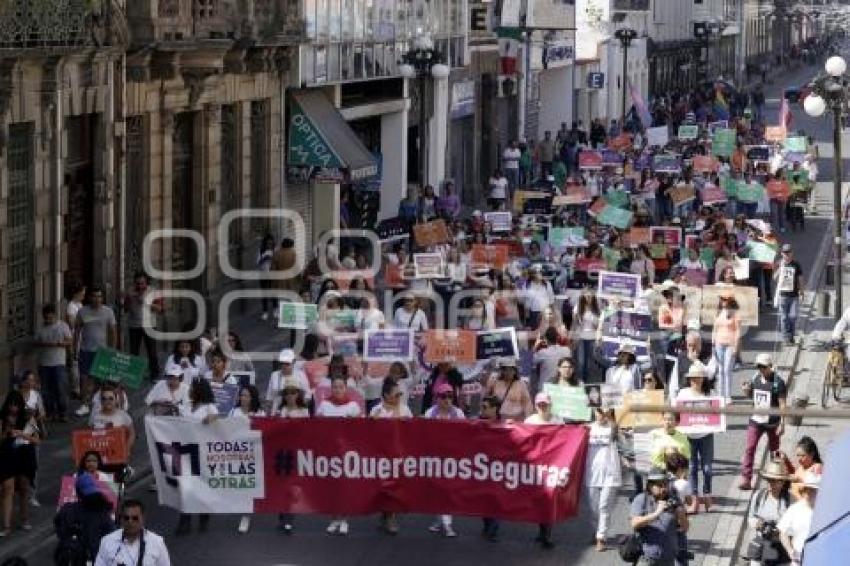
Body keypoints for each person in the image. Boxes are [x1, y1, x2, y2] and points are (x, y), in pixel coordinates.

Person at [317, 375, 362, 535]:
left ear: (346, 388)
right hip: (329, 452)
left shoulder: (353, 406)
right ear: (331, 389)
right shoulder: (324, 405)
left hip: (346, 452)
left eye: (341, 387)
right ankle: (334, 519)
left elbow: (361, 429)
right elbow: (316, 427)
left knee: (345, 485)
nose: (338, 390)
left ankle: (344, 519)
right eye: (335, 387)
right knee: (331, 486)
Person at [175, 380, 219, 535]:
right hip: (185, 450)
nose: (190, 390)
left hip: (202, 452)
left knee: (200, 486)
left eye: (193, 388)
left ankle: (203, 515)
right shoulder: (186, 405)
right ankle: (184, 520)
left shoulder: (209, 407)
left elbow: (215, 416)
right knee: (185, 486)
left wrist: (210, 419)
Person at [369, 378, 412, 535]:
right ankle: (385, 514)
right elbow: (369, 432)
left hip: (398, 454)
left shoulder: (405, 410)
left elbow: (412, 431)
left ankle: (391, 517)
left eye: (400, 394)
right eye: (396, 394)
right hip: (381, 455)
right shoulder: (376, 411)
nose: (399, 397)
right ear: (386, 395)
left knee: (396, 487)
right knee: (383, 487)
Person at [740, 353, 787, 490]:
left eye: (763, 367)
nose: (760, 369)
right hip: (756, 420)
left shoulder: (778, 382)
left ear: (770, 367)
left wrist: (782, 423)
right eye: (758, 366)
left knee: (775, 451)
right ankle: (746, 478)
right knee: (750, 447)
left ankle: (775, 478)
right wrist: (746, 391)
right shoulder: (755, 378)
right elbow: (752, 396)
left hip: (772, 422)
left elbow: (783, 404)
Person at [424, 383, 464, 537]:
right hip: (434, 458)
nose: (447, 399)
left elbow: (466, 433)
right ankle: (439, 520)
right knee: (437, 491)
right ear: (437, 398)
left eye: (449, 396)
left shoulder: (458, 413)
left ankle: (447, 524)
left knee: (447, 490)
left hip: (452, 458)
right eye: (443, 396)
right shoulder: (429, 413)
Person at [675, 363, 716, 513]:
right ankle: (694, 499)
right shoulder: (683, 393)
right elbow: (677, 412)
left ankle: (707, 494)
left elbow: (717, 413)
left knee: (707, 468)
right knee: (691, 468)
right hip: (689, 436)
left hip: (706, 435)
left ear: (703, 379)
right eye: (692, 378)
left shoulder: (710, 393)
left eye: (698, 378)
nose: (695, 380)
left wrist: (718, 424)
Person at [0, 391, 41, 536]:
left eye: (16, 405)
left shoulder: (29, 418)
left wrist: (22, 434)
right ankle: (6, 525)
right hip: (6, 456)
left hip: (24, 455)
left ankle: (24, 519)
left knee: (23, 488)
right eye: (11, 405)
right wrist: (6, 431)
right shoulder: (2, 418)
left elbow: (37, 440)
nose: (13, 408)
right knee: (7, 488)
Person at [630, 467, 689, 566]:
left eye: (665, 484)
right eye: (660, 485)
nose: (664, 488)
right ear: (650, 486)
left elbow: (685, 528)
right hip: (646, 559)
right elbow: (634, 523)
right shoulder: (641, 499)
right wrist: (656, 513)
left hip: (668, 559)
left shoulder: (674, 500)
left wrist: (681, 514)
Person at [54, 472, 115, 565]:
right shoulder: (102, 513)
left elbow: (58, 527)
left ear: (78, 492)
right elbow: (111, 534)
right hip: (92, 558)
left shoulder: (67, 509)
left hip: (67, 557)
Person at [74, 286, 117, 417]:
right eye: (94, 296)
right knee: (85, 378)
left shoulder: (108, 312)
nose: (97, 299)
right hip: (86, 350)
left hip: (102, 351)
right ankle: (85, 404)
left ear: (102, 298)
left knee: (102, 380)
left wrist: (112, 350)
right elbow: (77, 331)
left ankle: (101, 403)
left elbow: (113, 331)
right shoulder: (82, 311)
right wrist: (74, 348)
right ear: (89, 297)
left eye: (99, 296)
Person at [585, 407, 621, 552]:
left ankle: (601, 537)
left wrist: (614, 422)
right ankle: (596, 532)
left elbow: (619, 438)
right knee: (594, 508)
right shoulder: (587, 429)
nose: (601, 415)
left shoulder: (613, 428)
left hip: (611, 473)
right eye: (599, 411)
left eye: (605, 412)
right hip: (592, 473)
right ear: (594, 412)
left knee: (604, 507)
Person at [94, 499, 170, 566]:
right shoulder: (107, 541)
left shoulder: (157, 542)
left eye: (135, 518)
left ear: (143, 519)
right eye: (126, 518)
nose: (130, 522)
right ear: (121, 519)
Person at [745, 460, 792, 566]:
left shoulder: (790, 499)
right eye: (769, 480)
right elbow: (751, 517)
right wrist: (756, 523)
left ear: (783, 482)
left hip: (782, 548)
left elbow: (795, 524)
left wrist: (780, 530)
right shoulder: (759, 495)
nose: (771, 484)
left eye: (775, 481)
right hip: (760, 545)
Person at [34, 304, 73, 422]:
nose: (49, 320)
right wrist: (45, 344)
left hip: (59, 362)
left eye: (51, 318)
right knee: (46, 390)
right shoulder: (41, 328)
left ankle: (63, 412)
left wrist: (60, 344)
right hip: (44, 362)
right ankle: (50, 412)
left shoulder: (63, 326)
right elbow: (36, 342)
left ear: (55, 316)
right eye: (46, 318)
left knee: (60, 388)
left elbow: (70, 341)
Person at [123, 273, 163, 382]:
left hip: (150, 325)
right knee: (134, 351)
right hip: (134, 325)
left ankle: (154, 374)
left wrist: (146, 302)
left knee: (152, 351)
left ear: (147, 283)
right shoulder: (130, 292)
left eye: (142, 283)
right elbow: (125, 309)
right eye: (137, 284)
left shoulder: (153, 291)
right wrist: (129, 300)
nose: (140, 286)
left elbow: (159, 309)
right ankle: (133, 375)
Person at [777, 473, 819, 566]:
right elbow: (782, 532)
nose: (809, 493)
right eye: (808, 490)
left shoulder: (826, 510)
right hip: (798, 559)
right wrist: (789, 550)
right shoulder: (795, 509)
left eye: (813, 491)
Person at [89, 385, 135, 460]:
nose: (108, 401)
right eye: (104, 399)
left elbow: (132, 434)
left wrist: (127, 449)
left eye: (111, 398)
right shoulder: (94, 417)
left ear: (115, 400)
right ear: (101, 401)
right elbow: (89, 435)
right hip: (100, 457)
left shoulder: (123, 415)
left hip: (118, 456)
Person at [478, 395, 502, 542]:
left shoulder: (504, 424)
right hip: (481, 467)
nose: (482, 410)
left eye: (485, 407)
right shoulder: (477, 422)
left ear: (495, 409)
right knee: (483, 498)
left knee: (495, 498)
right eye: (481, 407)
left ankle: (493, 527)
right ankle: (487, 525)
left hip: (497, 468)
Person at [711, 293, 741, 402]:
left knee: (727, 369)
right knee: (720, 369)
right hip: (719, 342)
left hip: (730, 344)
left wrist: (736, 347)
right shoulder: (719, 312)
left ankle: (728, 396)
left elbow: (738, 332)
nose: (722, 301)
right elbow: (715, 328)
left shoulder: (735, 314)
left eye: (724, 299)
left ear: (730, 301)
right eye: (721, 299)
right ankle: (720, 395)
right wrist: (712, 342)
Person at [776, 436, 823, 501]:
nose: (799, 459)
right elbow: (795, 474)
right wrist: (786, 460)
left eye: (803, 456)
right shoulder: (803, 466)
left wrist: (799, 480)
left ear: (812, 454)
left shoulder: (817, 468)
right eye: (798, 455)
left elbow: (814, 486)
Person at [774, 244, 804, 345]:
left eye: (789, 252)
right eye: (785, 253)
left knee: (793, 316)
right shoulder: (779, 263)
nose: (787, 255)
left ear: (792, 253)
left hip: (794, 294)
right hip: (783, 295)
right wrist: (780, 268)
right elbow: (774, 277)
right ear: (782, 253)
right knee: (784, 317)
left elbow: (800, 278)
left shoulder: (796, 264)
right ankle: (786, 337)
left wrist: (802, 290)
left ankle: (791, 335)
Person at [265, 349, 311, 414]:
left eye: (287, 363)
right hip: (277, 412)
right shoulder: (274, 375)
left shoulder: (301, 375)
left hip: (297, 412)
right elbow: (269, 398)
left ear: (293, 362)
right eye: (282, 363)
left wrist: (296, 407)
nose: (284, 366)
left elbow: (308, 396)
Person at [533, 328, 572, 395]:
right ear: (557, 338)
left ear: (546, 339)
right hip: (560, 387)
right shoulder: (566, 350)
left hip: (545, 389)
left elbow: (530, 361)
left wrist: (535, 346)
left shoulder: (543, 353)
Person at [257, 234, 276, 320]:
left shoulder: (275, 250)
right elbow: (257, 262)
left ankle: (275, 310)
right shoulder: (261, 251)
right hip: (263, 275)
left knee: (274, 294)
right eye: (268, 243)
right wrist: (264, 258)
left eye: (271, 243)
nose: (269, 245)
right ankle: (265, 312)